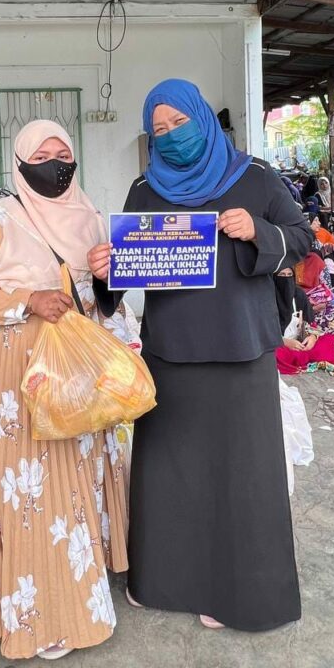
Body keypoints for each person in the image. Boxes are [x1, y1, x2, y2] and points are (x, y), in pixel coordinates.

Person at [89, 79, 312, 634]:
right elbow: (126, 270)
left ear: (203, 121)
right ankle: (163, 583)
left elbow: (303, 238)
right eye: (159, 130)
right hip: (171, 357)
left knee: (240, 476)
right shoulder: (145, 189)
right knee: (170, 476)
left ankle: (237, 593)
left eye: (179, 124)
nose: (170, 137)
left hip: (241, 355)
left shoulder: (255, 178)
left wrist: (256, 229)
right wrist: (104, 272)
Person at [0, 121, 128, 661]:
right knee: (33, 489)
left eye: (64, 153)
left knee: (73, 479)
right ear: (21, 164)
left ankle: (78, 590)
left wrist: (106, 280)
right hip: (15, 372)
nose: (56, 163)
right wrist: (28, 297)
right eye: (43, 155)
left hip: (74, 364)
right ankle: (39, 613)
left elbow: (103, 301)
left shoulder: (92, 216)